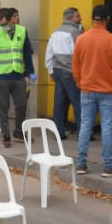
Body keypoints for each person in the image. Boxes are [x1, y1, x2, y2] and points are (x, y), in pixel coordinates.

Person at [73, 5, 112, 177]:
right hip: (109, 91)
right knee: (107, 127)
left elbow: (76, 66)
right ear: (107, 19)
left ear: (92, 18)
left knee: (85, 126)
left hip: (87, 89)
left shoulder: (81, 39)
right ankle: (108, 166)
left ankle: (81, 164)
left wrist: (81, 83)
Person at [0, 6, 36, 148]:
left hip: (18, 76)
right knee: (3, 107)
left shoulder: (22, 31)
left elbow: (27, 53)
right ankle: (6, 134)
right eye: (14, 16)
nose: (17, 18)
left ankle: (18, 131)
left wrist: (31, 71)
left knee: (22, 104)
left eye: (17, 15)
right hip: (1, 76)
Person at [44, 7, 83, 139]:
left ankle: (58, 132)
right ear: (70, 18)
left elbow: (49, 53)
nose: (81, 18)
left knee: (59, 103)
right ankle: (83, 133)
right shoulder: (74, 32)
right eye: (78, 16)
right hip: (70, 72)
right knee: (78, 102)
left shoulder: (56, 32)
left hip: (57, 71)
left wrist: (50, 70)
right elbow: (80, 53)